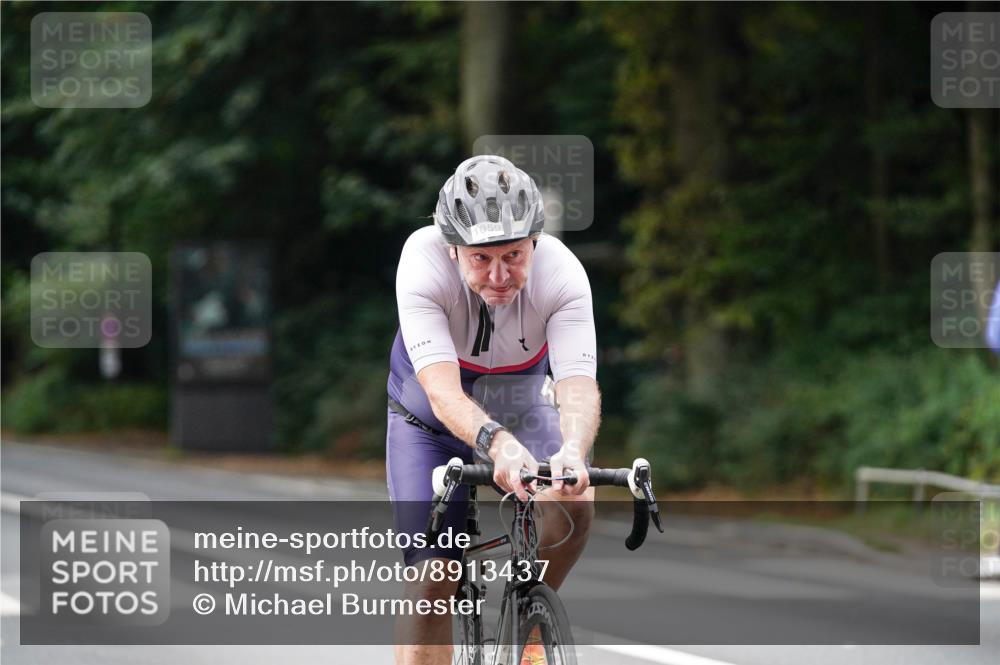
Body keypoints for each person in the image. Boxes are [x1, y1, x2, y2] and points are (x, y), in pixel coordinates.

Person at [386, 155, 601, 665]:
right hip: (429, 426)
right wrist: (496, 444)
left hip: (524, 413)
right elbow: (441, 393)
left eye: (514, 255)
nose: (500, 275)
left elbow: (576, 383)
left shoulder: (562, 271)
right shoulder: (421, 260)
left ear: (535, 244)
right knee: (434, 577)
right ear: (453, 250)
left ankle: (531, 619)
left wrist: (574, 449)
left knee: (578, 501)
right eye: (481, 259)